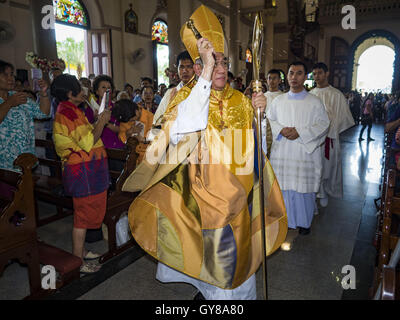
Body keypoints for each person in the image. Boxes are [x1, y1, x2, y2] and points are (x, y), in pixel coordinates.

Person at [122, 5, 287, 300]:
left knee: (241, 255)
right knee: (212, 256)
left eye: (223, 63)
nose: (221, 69)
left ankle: (237, 295)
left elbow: (259, 148)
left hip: (241, 188)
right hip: (200, 192)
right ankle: (217, 295)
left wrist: (261, 116)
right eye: (213, 63)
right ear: (199, 68)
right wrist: (206, 77)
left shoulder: (242, 100)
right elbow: (180, 132)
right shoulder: (185, 95)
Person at [51, 74, 111, 274]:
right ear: (70, 93)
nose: (82, 90)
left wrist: (97, 120)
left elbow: (84, 136)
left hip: (86, 169)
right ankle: (78, 261)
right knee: (83, 215)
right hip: (82, 170)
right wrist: (102, 121)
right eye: (78, 87)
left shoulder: (71, 110)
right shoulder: (68, 112)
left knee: (84, 213)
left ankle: (82, 250)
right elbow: (87, 143)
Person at [267, 61, 330, 235]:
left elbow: (324, 124)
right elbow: (269, 120)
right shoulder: (278, 101)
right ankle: (285, 221)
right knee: (284, 187)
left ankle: (304, 223)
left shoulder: (315, 102)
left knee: (304, 188)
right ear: (286, 77)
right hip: (283, 152)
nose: (294, 77)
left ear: (305, 76)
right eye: (291, 73)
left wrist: (300, 132)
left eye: (299, 73)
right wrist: (281, 129)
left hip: (305, 153)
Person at [310, 62, 355, 207]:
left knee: (327, 167)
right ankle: (314, 196)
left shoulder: (336, 94)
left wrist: (331, 128)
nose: (317, 76)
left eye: (320, 73)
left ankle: (323, 192)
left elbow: (343, 117)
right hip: (312, 138)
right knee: (313, 167)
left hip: (329, 138)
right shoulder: (310, 94)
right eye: (315, 74)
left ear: (327, 73)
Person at [0, 60, 51, 172]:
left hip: (25, 161)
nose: (11, 78)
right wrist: (9, 103)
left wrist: (43, 94)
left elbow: (43, 113)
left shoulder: (19, 96)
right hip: (4, 164)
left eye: (12, 74)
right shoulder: (13, 99)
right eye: (5, 75)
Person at [91, 75, 125, 149]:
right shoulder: (91, 108)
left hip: (116, 147)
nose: (107, 90)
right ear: (96, 91)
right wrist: (97, 120)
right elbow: (87, 130)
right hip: (98, 148)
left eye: (109, 88)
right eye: (103, 87)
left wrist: (105, 123)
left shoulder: (117, 107)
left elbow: (122, 129)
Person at [263, 69, 284, 157]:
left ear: (280, 80)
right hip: (265, 132)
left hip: (279, 132)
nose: (272, 81)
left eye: (274, 78)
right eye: (269, 78)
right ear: (267, 80)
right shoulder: (262, 96)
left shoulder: (283, 97)